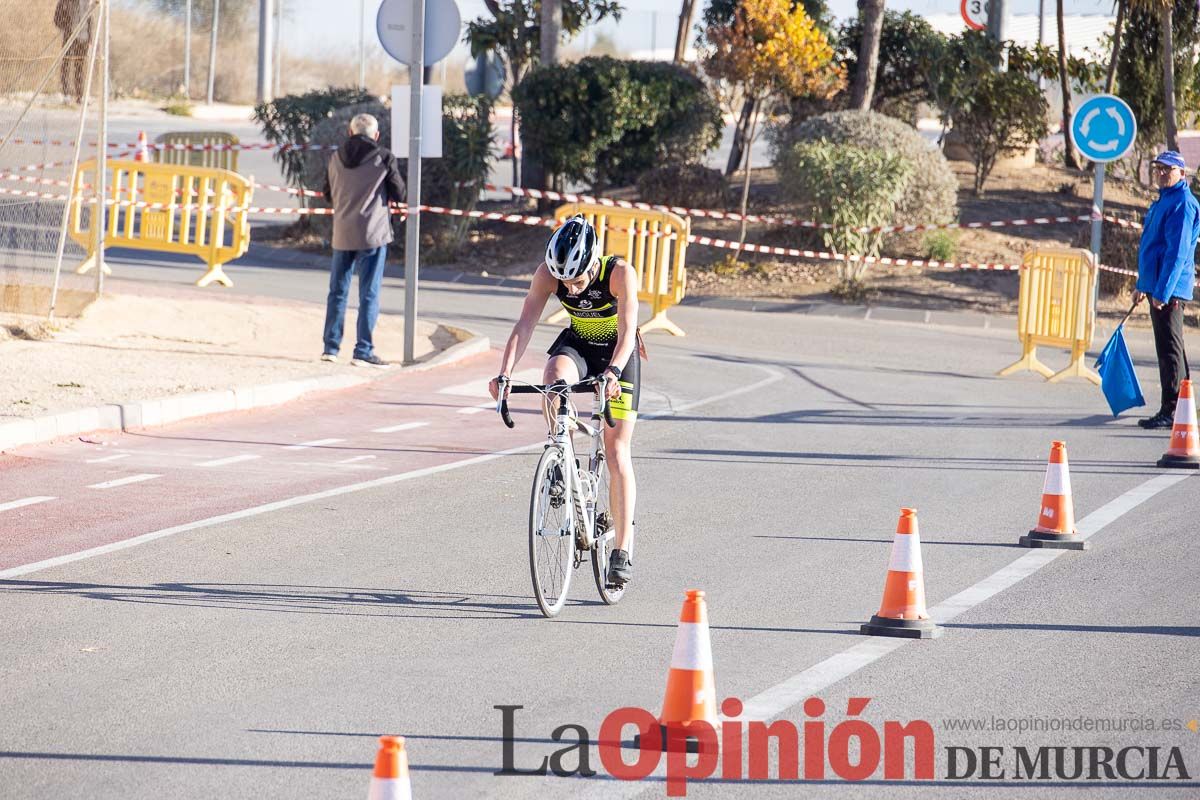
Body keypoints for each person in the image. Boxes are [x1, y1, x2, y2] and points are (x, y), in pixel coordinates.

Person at [488, 215, 644, 587]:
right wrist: (505, 373)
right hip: (578, 344)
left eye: (577, 280)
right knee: (552, 378)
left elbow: (626, 332)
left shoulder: (620, 274)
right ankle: (562, 456)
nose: (570, 290)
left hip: (616, 353)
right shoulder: (548, 274)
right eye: (565, 282)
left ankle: (622, 550)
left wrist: (612, 374)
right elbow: (525, 324)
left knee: (616, 448)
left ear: (592, 263)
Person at [321, 113, 405, 368]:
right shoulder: (383, 157)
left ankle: (330, 348)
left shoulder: (335, 157)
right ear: (375, 135)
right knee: (369, 293)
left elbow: (327, 194)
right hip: (373, 233)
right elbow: (399, 192)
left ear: (350, 133)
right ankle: (363, 350)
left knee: (337, 291)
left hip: (342, 231)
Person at [1134, 150, 1200, 429]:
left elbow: (1176, 253)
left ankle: (1172, 409)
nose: (1161, 173)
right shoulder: (1163, 201)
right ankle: (1182, 405)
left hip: (1169, 288)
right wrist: (1142, 285)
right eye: (1158, 169)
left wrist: (1161, 291)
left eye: (1168, 169)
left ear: (1182, 173)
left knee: (1169, 350)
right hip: (1157, 285)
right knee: (1171, 347)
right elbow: (1152, 247)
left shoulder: (1182, 203)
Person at [54, 0, 91, 104]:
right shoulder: (64, 2)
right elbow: (56, 19)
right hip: (69, 38)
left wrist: (90, 39)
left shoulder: (86, 2)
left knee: (79, 68)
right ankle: (66, 95)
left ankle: (80, 96)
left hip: (83, 39)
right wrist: (67, 27)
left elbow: (90, 19)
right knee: (65, 66)